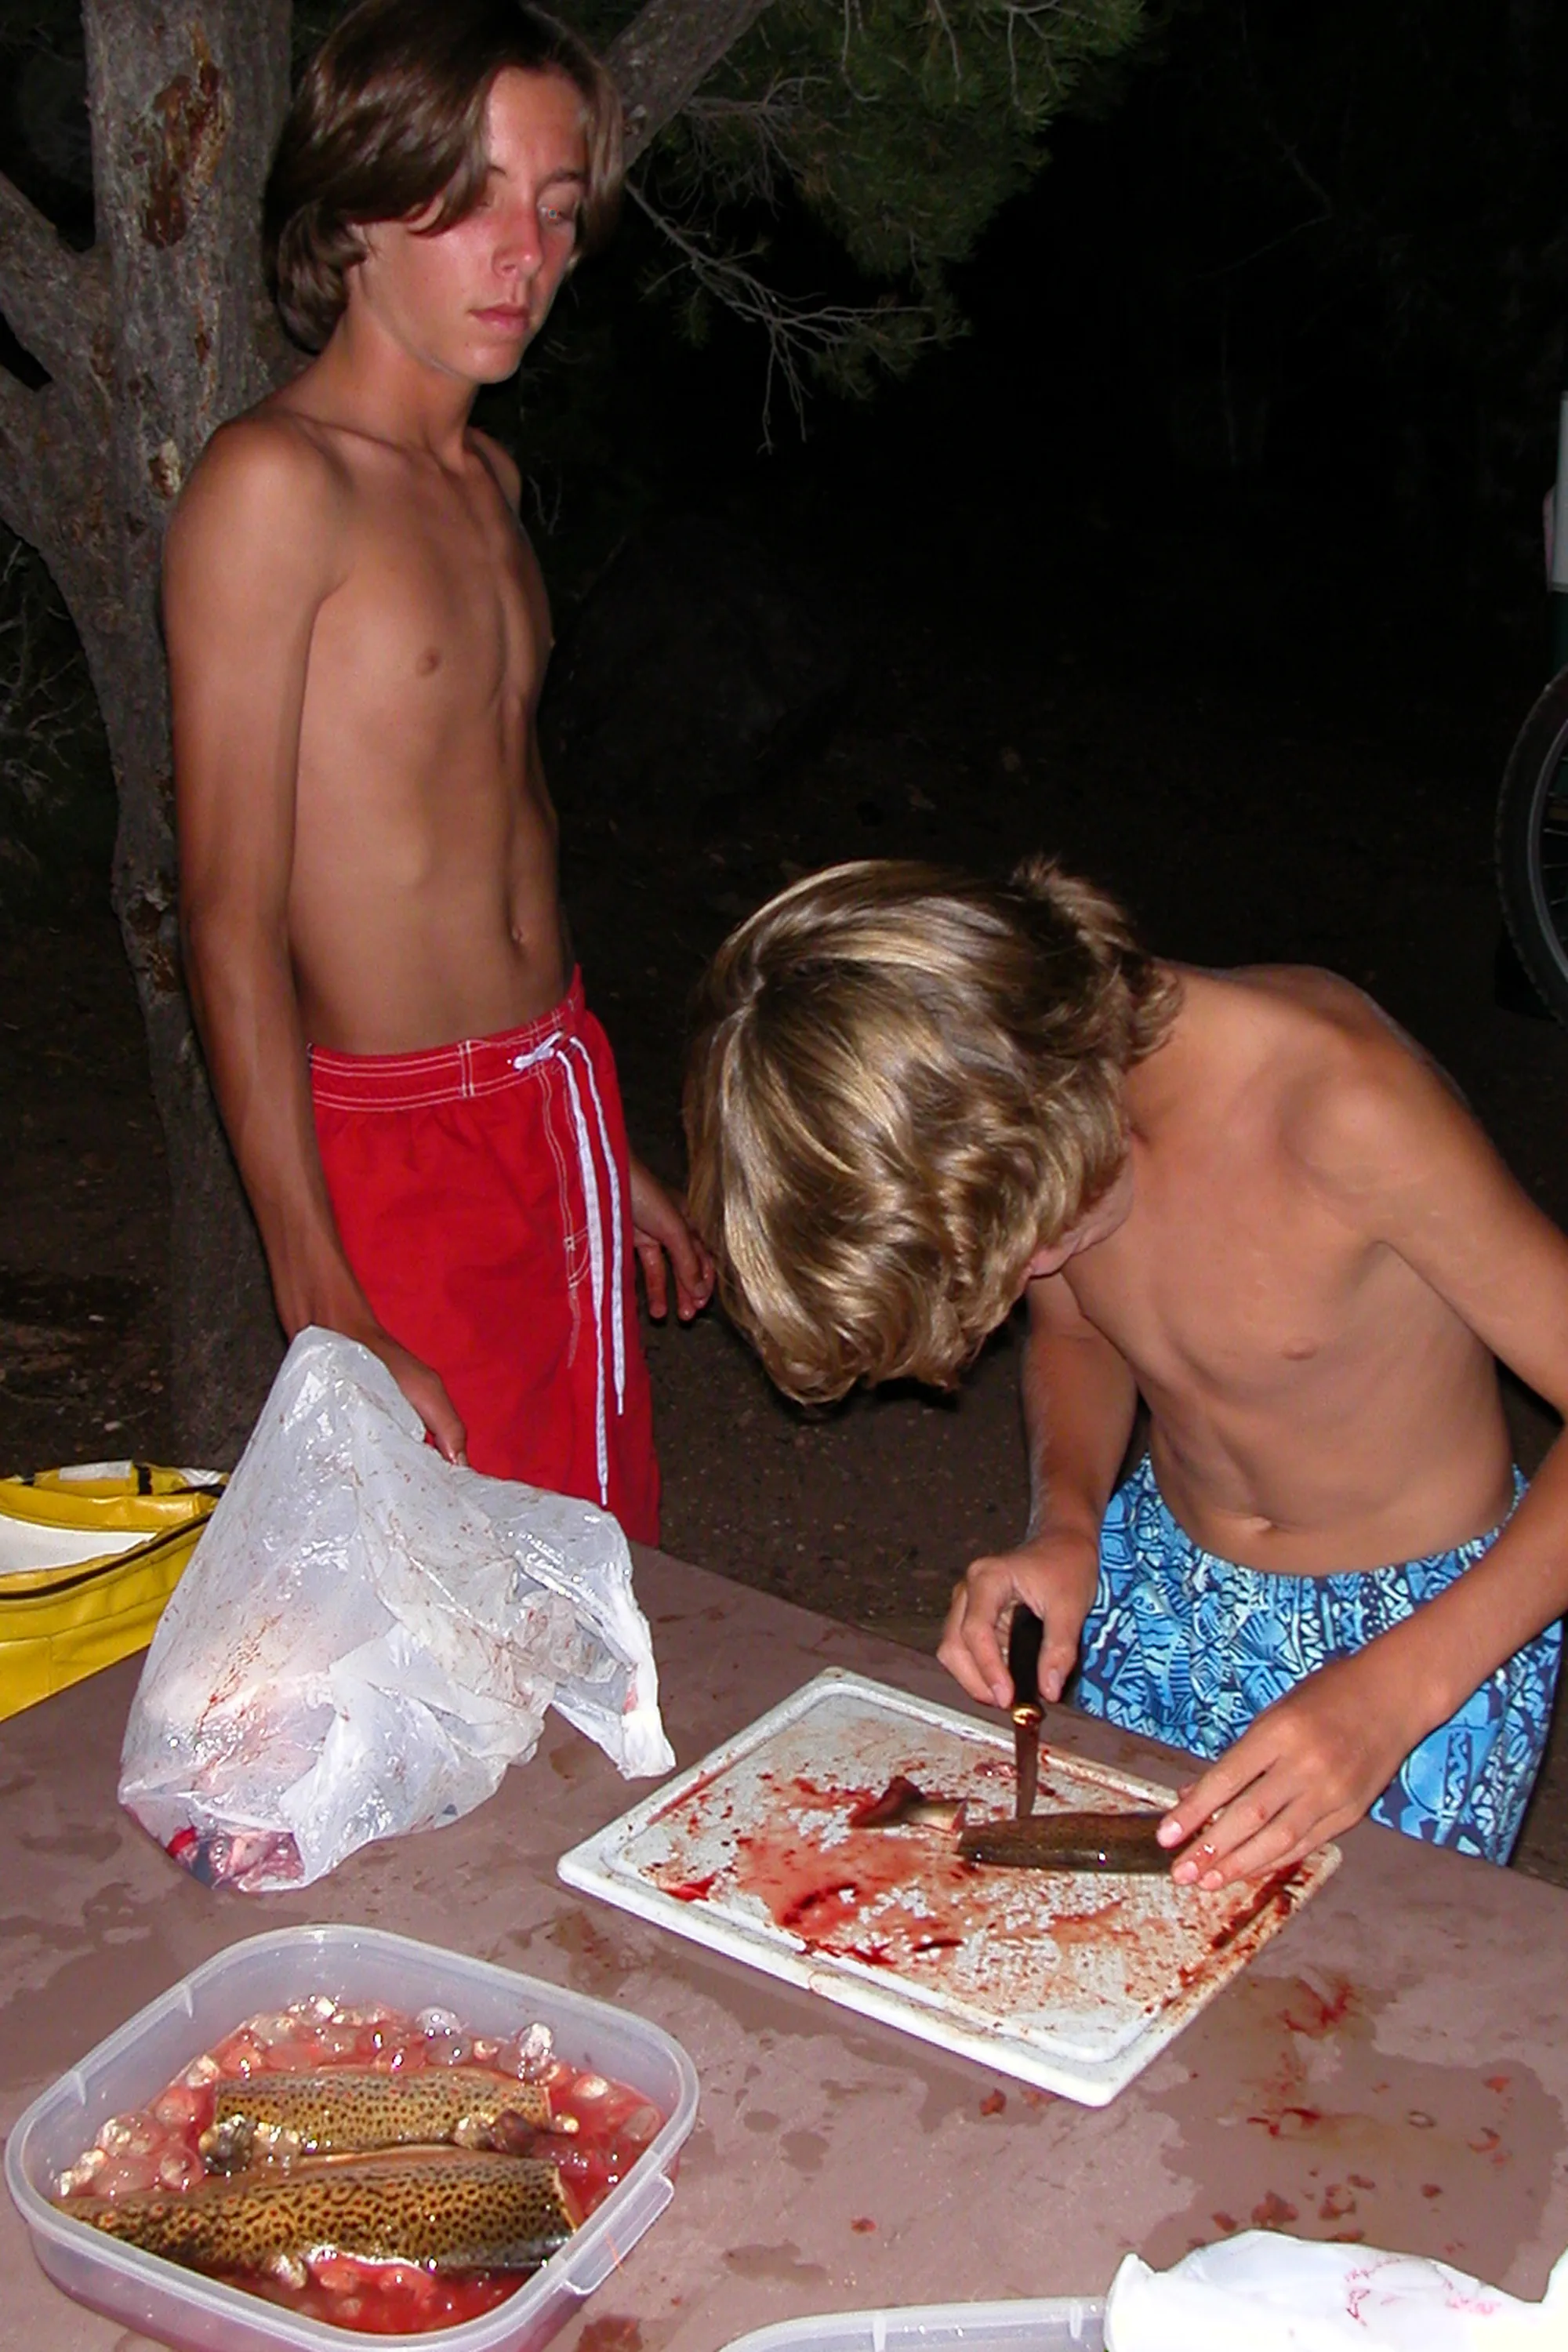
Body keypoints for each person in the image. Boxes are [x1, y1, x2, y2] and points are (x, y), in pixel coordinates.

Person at [683, 855, 1568, 1882]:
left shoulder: (1339, 1107)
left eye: (1030, 1253)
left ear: (1046, 1104)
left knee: (1336, 1990)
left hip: (1425, 1632)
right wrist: (1066, 1522)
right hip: (1158, 1579)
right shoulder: (1047, 1111)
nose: (1037, 1278)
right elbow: (1078, 1337)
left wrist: (1398, 1694)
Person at [164, 0, 711, 1543]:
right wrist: (316, 1275)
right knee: (436, 1607)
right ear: (351, 207)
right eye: (468, 201)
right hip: (391, 1155)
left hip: (547, 1100)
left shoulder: (487, 484)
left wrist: (599, 1151)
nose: (523, 254)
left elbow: (497, 842)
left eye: (551, 209)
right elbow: (227, 912)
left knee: (590, 1563)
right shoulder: (275, 492)